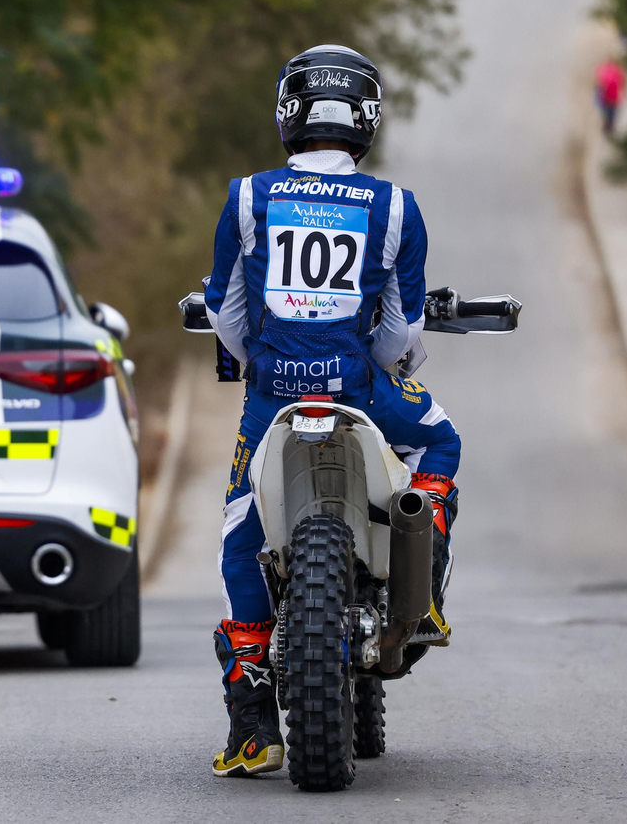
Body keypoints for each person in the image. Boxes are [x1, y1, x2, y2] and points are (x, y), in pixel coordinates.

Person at [202, 45, 462, 777]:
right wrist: (373, 363)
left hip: (272, 397)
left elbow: (226, 312)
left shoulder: (247, 196)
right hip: (357, 390)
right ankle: (425, 579)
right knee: (441, 442)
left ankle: (253, 723)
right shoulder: (396, 207)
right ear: (365, 118)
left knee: (238, 533)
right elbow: (400, 334)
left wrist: (263, 360)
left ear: (289, 113)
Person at [595, 58, 625, 137]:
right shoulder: (617, 72)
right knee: (611, 114)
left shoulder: (604, 72)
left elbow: (600, 84)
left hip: (608, 98)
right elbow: (621, 83)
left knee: (608, 114)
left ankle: (608, 127)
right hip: (612, 98)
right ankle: (609, 127)